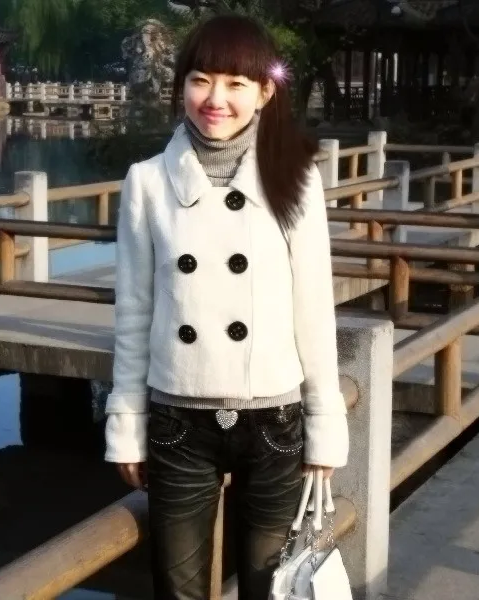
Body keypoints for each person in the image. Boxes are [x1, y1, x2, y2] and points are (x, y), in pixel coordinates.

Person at [104, 14, 349, 600]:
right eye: (201, 80)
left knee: (268, 587)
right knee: (178, 590)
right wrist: (127, 426)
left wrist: (324, 429)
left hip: (274, 421)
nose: (216, 99)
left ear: (265, 92)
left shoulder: (296, 179)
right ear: (181, 86)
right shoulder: (146, 182)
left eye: (236, 83)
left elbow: (314, 311)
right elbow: (133, 316)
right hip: (177, 420)